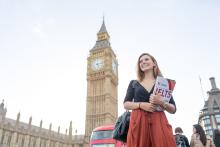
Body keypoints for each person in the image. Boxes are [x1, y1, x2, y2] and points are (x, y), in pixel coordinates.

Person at [123, 53, 177, 147]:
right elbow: (126, 104)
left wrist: (161, 102)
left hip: (158, 122)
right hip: (139, 123)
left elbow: (173, 109)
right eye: (140, 61)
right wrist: (141, 105)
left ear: (154, 64)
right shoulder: (134, 83)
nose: (143, 62)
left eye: (146, 59)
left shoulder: (163, 83)